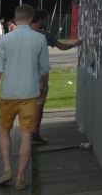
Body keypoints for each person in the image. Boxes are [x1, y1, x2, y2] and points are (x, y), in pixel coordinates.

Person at [0, 5, 50, 190]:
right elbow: (44, 68)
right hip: (29, 94)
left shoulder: (5, 39)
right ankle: (21, 177)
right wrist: (43, 86)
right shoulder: (39, 38)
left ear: (15, 19)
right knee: (25, 136)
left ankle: (7, 169)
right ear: (31, 18)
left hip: (8, 94)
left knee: (4, 131)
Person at [30, 10, 82, 145]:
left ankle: (26, 134)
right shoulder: (44, 35)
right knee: (38, 105)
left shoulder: (21, 34)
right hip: (40, 76)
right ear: (40, 20)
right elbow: (61, 46)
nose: (46, 22)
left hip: (23, 75)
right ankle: (34, 134)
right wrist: (76, 44)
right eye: (45, 19)